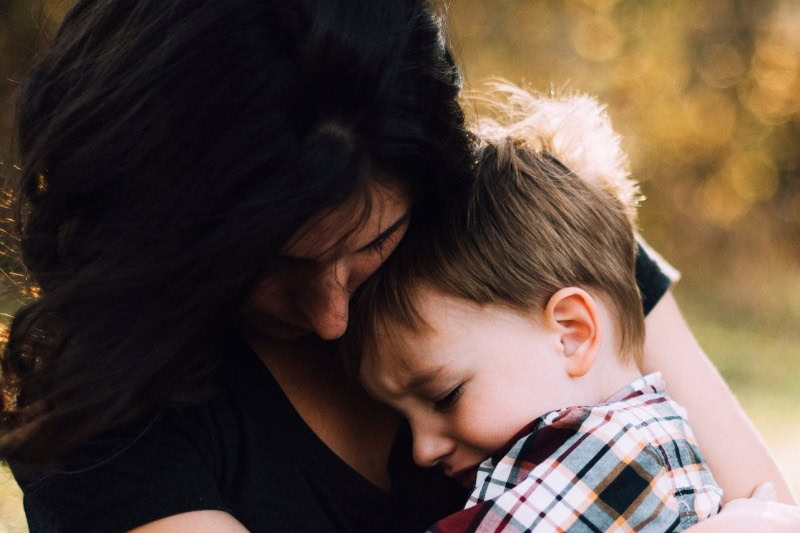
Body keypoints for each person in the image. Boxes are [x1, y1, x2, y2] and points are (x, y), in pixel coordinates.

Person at [0, 1, 795, 532]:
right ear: (166, 234)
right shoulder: (105, 415)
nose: (331, 316)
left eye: (373, 245)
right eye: (267, 263)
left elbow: (759, 508)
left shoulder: (523, 239)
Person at [346, 90, 723, 531]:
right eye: (403, 417)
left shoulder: (600, 461)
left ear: (572, 333)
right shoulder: (650, 438)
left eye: (446, 396)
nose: (422, 451)